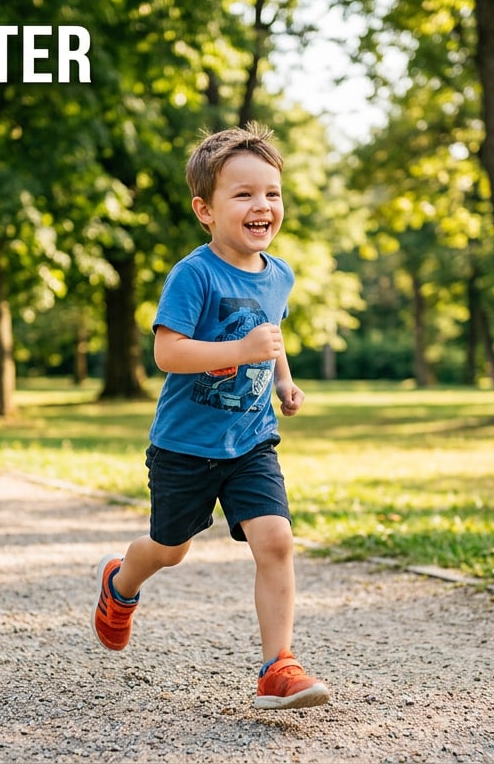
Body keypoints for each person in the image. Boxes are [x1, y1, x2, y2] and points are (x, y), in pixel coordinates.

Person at [92, 122, 330, 711]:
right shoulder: (194, 274)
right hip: (185, 445)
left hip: (250, 441)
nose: (262, 206)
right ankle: (120, 584)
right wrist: (241, 353)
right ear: (205, 209)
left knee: (275, 541)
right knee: (170, 549)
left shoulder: (280, 273)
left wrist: (283, 380)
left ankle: (279, 666)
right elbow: (167, 352)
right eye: (243, 194)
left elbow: (270, 336)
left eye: (272, 193)